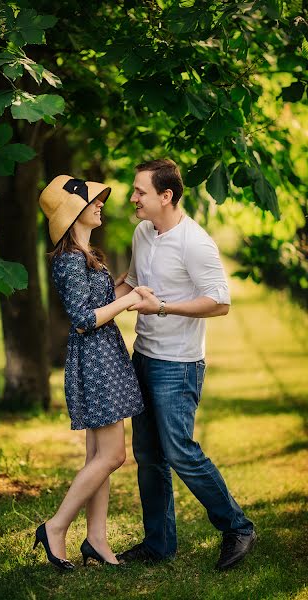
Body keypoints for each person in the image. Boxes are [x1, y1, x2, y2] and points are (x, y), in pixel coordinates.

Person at [114, 159, 256, 571]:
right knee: (148, 454)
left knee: (179, 451)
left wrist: (163, 307)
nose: (133, 198)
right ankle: (159, 545)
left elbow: (221, 301)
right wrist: (98, 302)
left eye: (140, 191)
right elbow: (132, 279)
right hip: (143, 355)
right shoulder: (144, 232)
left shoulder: (195, 242)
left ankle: (237, 526)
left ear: (166, 196)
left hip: (177, 365)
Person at [35, 175, 145, 570]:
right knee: (113, 455)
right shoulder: (67, 260)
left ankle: (96, 539)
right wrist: (129, 299)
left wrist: (128, 288)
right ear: (73, 212)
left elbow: (101, 300)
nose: (101, 204)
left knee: (99, 455)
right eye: (93, 200)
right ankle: (56, 527)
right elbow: (84, 318)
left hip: (104, 356)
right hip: (95, 360)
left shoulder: (88, 254)